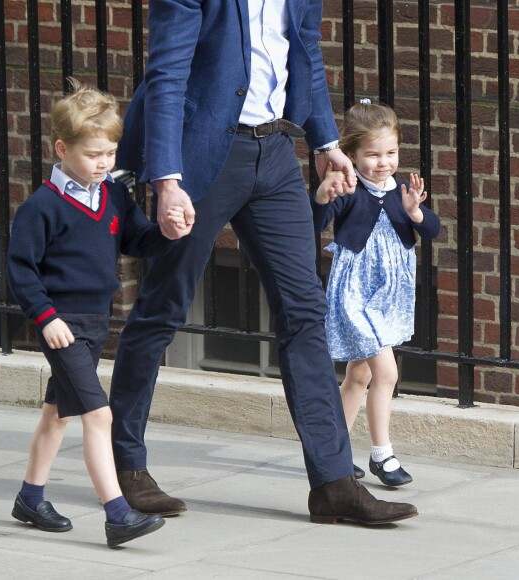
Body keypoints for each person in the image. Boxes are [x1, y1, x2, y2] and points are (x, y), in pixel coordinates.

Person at [111, 0, 418, 525]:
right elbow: (165, 77)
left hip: (274, 151)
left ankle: (333, 484)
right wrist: (166, 180)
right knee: (163, 307)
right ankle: (125, 467)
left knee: (305, 312)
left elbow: (306, 53)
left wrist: (325, 141)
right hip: (202, 155)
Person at [6, 78, 187, 547]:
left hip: (92, 320)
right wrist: (46, 318)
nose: (104, 163)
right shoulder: (41, 207)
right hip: (60, 326)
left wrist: (167, 232)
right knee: (99, 415)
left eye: (110, 153)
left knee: (56, 415)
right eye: (93, 155)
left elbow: (136, 240)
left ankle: (30, 496)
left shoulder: (114, 196)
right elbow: (20, 271)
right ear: (63, 148)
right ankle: (117, 513)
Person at [312, 100, 441, 487]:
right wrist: (322, 196)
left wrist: (416, 212)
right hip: (356, 293)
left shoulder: (403, 190)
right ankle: (382, 455)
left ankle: (328, 453)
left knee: (359, 375)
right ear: (350, 154)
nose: (383, 162)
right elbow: (315, 224)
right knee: (387, 372)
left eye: (391, 153)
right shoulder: (348, 187)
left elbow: (432, 230)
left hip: (388, 295)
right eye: (372, 154)